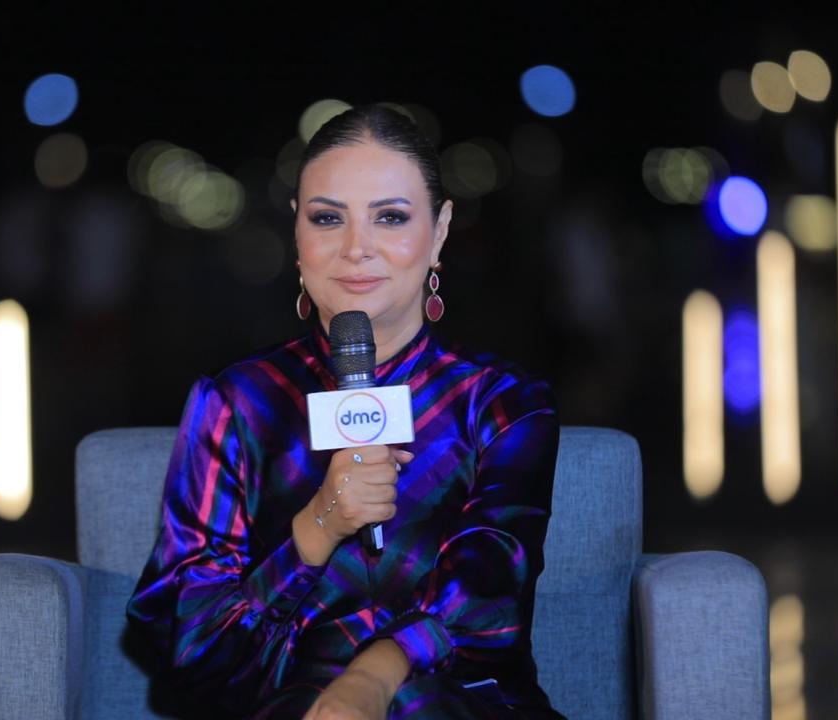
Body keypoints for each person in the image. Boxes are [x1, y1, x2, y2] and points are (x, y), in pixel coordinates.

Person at [127, 103, 565, 720]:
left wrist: (372, 679)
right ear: (297, 232)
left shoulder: (500, 403)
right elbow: (192, 647)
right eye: (328, 218)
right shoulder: (238, 402)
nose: (357, 248)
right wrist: (319, 524)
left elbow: (488, 596)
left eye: (390, 217)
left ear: (439, 231)